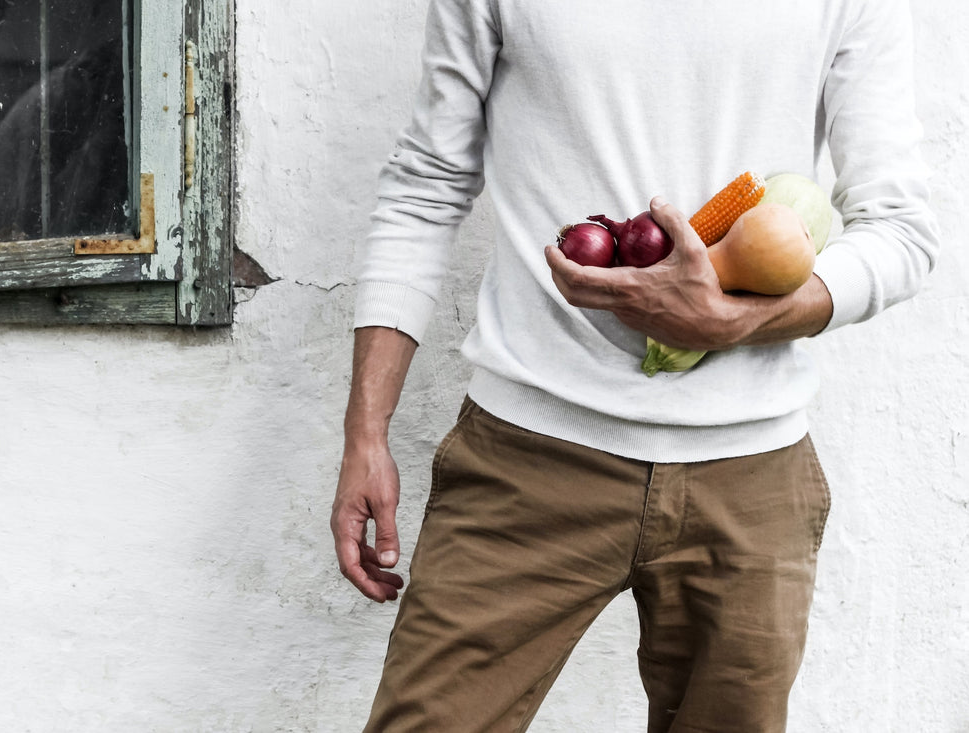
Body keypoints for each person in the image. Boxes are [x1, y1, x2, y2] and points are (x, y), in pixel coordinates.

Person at [330, 1, 940, 731]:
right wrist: (366, 433)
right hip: (526, 461)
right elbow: (425, 187)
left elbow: (900, 230)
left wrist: (734, 321)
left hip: (750, 481)